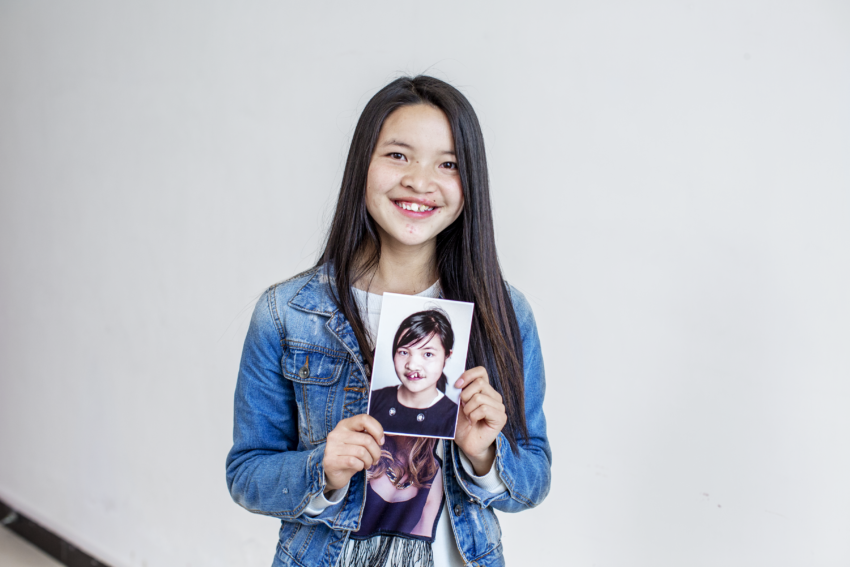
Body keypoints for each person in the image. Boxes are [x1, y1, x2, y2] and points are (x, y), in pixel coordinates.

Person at [226, 75, 551, 567]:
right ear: (363, 164)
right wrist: (324, 469)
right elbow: (247, 475)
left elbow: (534, 480)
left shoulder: (504, 312)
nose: (420, 181)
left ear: (470, 185)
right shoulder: (286, 313)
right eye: (398, 155)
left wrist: (483, 455)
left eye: (448, 164)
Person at [369, 308, 460, 438]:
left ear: (446, 356)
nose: (412, 365)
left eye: (428, 354)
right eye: (404, 352)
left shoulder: (454, 416)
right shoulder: (374, 400)